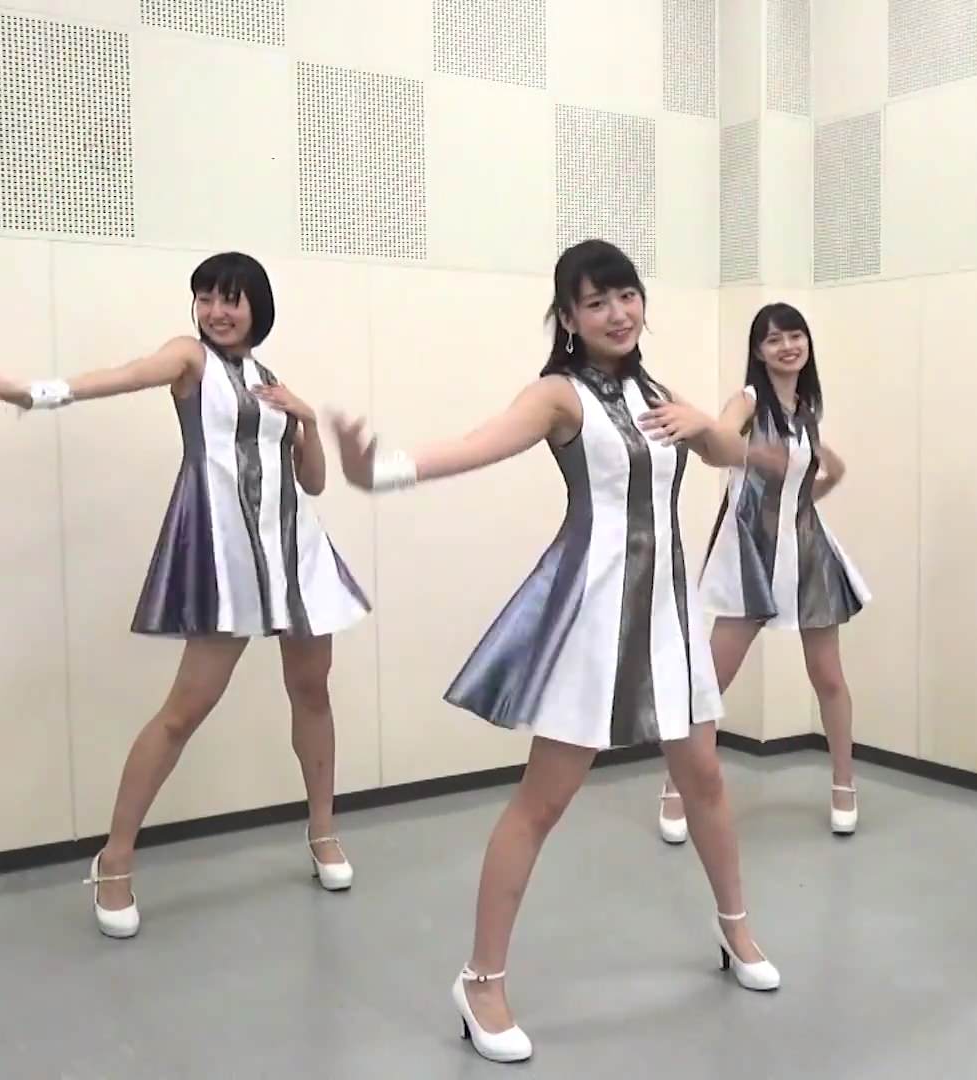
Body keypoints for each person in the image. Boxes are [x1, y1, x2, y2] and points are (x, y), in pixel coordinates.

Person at [328, 239, 779, 1065]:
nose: (618, 313)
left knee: (706, 780)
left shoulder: (655, 392)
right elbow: (478, 444)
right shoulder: (558, 395)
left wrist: (710, 428)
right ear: (568, 316)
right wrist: (381, 470)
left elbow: (720, 453)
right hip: (592, 620)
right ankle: (481, 982)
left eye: (627, 296)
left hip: (668, 617)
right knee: (543, 803)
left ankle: (736, 930)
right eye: (596, 301)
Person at [0, 251, 370, 940]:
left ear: (256, 307)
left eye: (230, 298)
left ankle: (323, 832)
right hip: (227, 555)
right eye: (205, 298)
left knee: (312, 691)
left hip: (295, 550)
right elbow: (124, 376)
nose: (216, 311)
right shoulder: (189, 359)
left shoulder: (270, 381)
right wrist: (34, 393)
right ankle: (114, 859)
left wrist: (308, 420)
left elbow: (315, 482)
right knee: (184, 711)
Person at [656, 302, 870, 843]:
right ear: (758, 350)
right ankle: (677, 785)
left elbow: (815, 476)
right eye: (774, 339)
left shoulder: (805, 409)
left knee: (829, 677)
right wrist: (746, 449)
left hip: (807, 551)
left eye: (795, 335)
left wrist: (816, 485)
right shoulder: (749, 400)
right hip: (750, 553)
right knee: (711, 680)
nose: (787, 346)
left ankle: (844, 784)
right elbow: (718, 444)